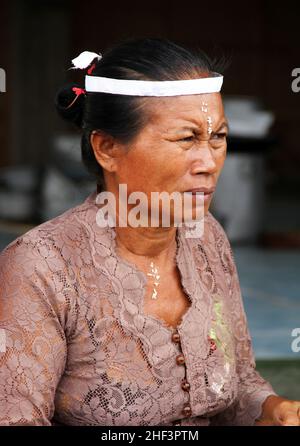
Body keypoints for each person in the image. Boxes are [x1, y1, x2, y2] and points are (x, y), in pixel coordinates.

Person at [0, 37, 299, 426]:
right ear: (107, 148)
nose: (209, 162)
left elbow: (237, 382)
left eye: (218, 138)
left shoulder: (205, 236)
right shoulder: (42, 267)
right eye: (186, 139)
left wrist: (268, 409)